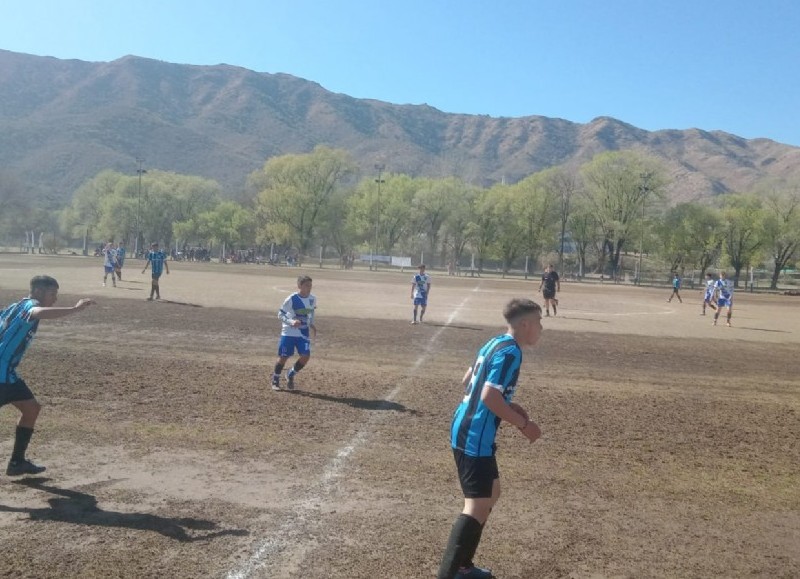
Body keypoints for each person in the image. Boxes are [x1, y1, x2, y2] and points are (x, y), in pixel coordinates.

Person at [437, 298, 543, 579]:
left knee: (491, 493)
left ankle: (463, 566)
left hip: (465, 424)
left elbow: (468, 380)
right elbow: (488, 396)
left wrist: (510, 404)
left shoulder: (495, 342)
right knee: (476, 505)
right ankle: (450, 573)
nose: (541, 329)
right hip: (475, 434)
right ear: (525, 324)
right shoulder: (512, 353)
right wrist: (524, 425)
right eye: (539, 322)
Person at [0, 276, 95, 475]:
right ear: (38, 292)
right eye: (52, 294)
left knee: (32, 408)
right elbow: (37, 312)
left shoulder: (14, 307)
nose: (55, 299)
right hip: (1, 377)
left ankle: (17, 463)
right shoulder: (29, 307)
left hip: (8, 376)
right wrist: (74, 309)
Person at [272, 275, 317, 391]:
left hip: (303, 332)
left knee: (305, 356)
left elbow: (311, 312)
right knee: (284, 356)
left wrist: (311, 323)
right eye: (306, 285)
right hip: (289, 332)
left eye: (310, 285)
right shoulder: (291, 298)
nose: (309, 288)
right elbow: (280, 314)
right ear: (299, 286)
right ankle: (275, 379)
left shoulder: (312, 299)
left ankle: (290, 374)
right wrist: (292, 321)